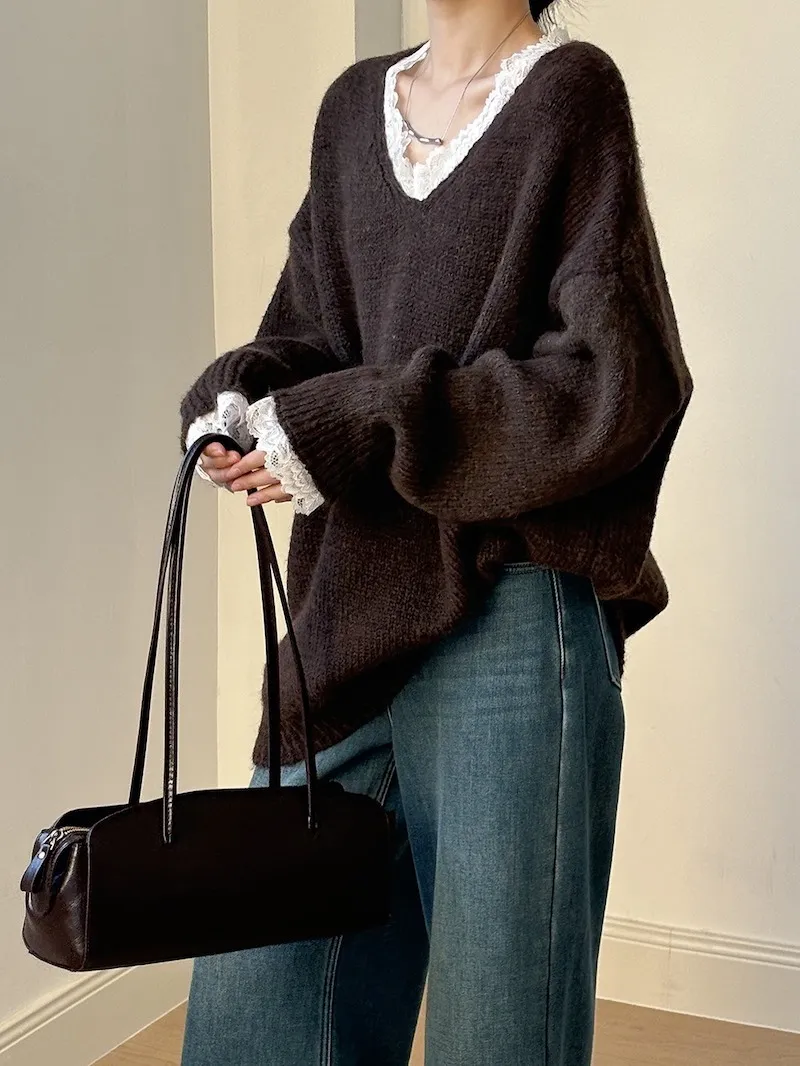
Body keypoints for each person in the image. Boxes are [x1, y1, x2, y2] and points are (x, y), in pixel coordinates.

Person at [178, 0, 693, 1062]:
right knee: (254, 1018)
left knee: (497, 1032)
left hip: (508, 613)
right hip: (345, 615)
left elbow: (617, 381)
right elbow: (309, 335)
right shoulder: (348, 111)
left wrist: (366, 420)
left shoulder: (570, 94)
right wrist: (239, 399)